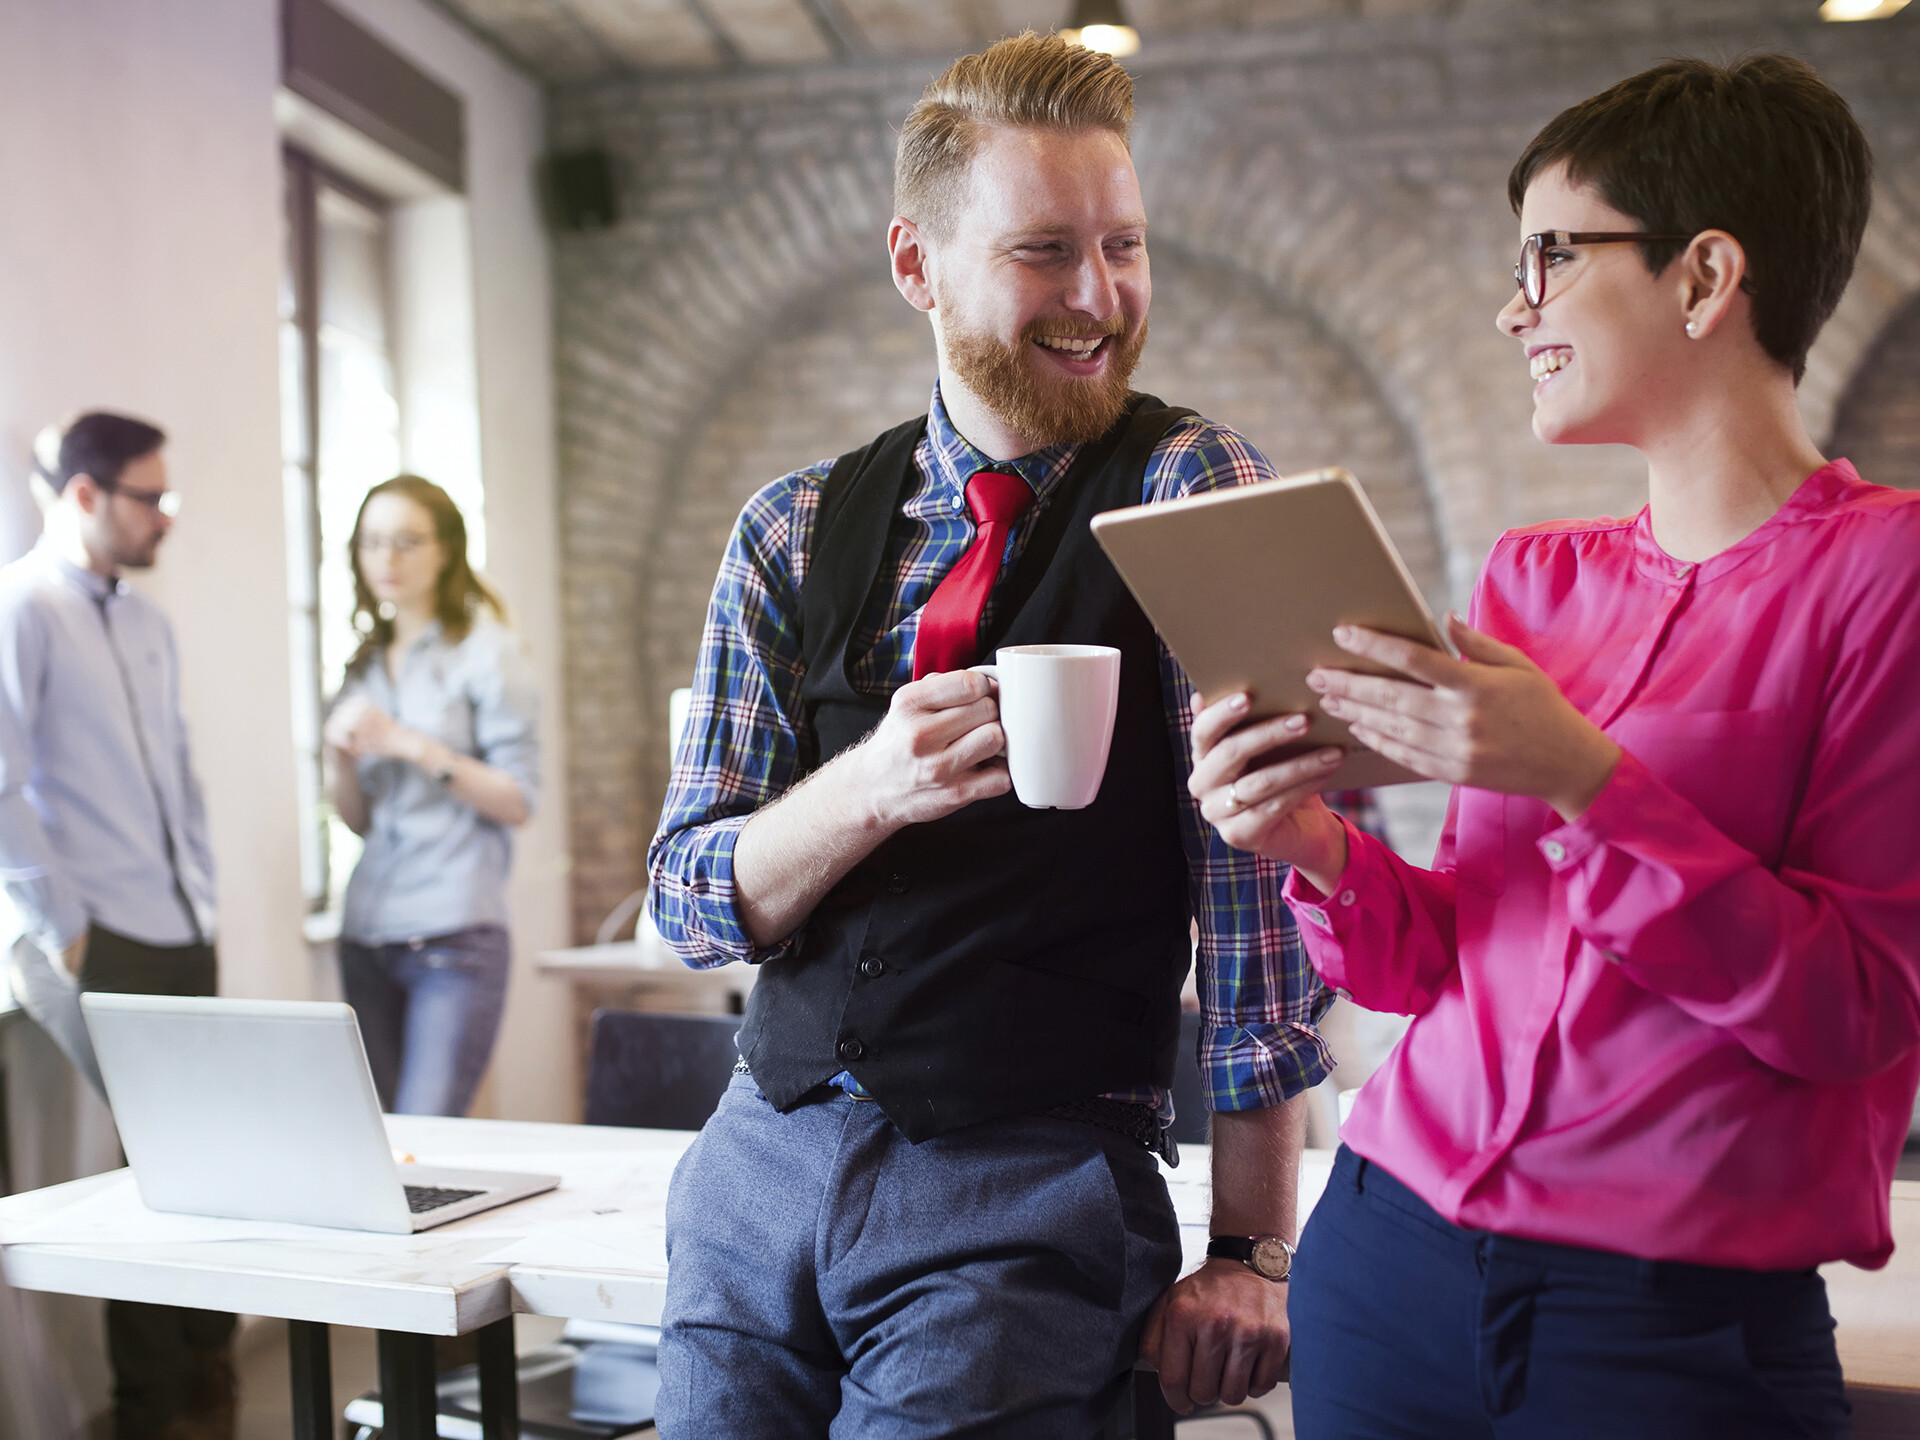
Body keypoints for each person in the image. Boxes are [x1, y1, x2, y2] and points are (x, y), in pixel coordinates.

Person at [1188, 56, 1916, 1438]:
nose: (1514, 306)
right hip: (1382, 1255)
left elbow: (1858, 1012)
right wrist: (1315, 847)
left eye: (1551, 256)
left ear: (1705, 279)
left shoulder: (1892, 575)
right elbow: (1434, 964)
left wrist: (1583, 777)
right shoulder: (1533, 583)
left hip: (1663, 1323)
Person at [647, 32, 1327, 1436]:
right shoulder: (791, 527)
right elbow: (692, 901)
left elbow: (1254, 897)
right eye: (1045, 252)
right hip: (753, 1166)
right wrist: (870, 789)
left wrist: (1253, 1248)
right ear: (918, 265)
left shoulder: (1194, 482)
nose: (1101, 298)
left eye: (1124, 246)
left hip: (1029, 1179)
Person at [0, 412, 232, 1440]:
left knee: (211, 1156)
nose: (165, 518)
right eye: (151, 498)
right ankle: (150, 1408)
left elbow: (177, 766)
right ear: (85, 494)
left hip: (181, 919)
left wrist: (207, 891)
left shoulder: (148, 621)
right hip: (101, 933)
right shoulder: (22, 608)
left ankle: (209, 1376)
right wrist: (61, 922)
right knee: (161, 1169)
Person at [324, 475, 537, 1118]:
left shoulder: (490, 653)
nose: (386, 559)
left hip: (454, 937)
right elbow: (358, 820)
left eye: (407, 541)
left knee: (428, 1140)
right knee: (379, 1145)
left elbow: (518, 800)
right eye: (373, 543)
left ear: (445, 549)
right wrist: (338, 759)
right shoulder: (360, 665)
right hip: (365, 933)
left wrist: (412, 745)